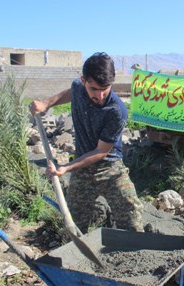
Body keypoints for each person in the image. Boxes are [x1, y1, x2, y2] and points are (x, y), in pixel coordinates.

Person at [30, 52, 144, 233]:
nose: (99, 96)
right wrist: (46, 103)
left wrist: (66, 167)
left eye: (105, 89)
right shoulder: (78, 87)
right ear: (84, 81)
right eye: (94, 89)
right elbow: (70, 92)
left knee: (131, 216)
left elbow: (100, 151)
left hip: (110, 168)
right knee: (74, 224)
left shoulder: (117, 111)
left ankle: (135, 253)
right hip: (82, 170)